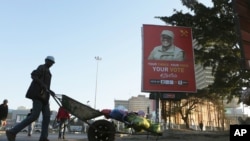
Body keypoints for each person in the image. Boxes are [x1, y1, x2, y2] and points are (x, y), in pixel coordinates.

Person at [6, 56, 56, 141]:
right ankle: (12, 132)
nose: (51, 64)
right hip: (38, 96)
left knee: (47, 117)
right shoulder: (41, 67)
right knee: (34, 115)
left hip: (45, 97)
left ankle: (44, 137)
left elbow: (46, 86)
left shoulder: (48, 71)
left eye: (52, 63)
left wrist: (50, 91)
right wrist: (42, 84)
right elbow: (33, 75)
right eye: (50, 62)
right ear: (46, 61)